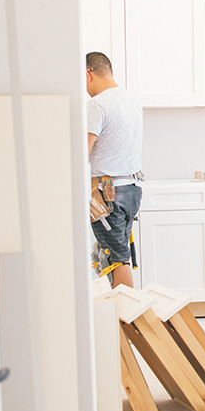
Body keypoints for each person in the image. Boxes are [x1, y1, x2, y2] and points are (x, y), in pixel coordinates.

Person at [86, 51, 143, 288]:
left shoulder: (97, 104)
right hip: (131, 190)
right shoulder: (131, 100)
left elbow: (82, 152)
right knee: (119, 255)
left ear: (88, 73)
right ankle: (119, 317)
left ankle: (125, 320)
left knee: (115, 259)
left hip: (107, 195)